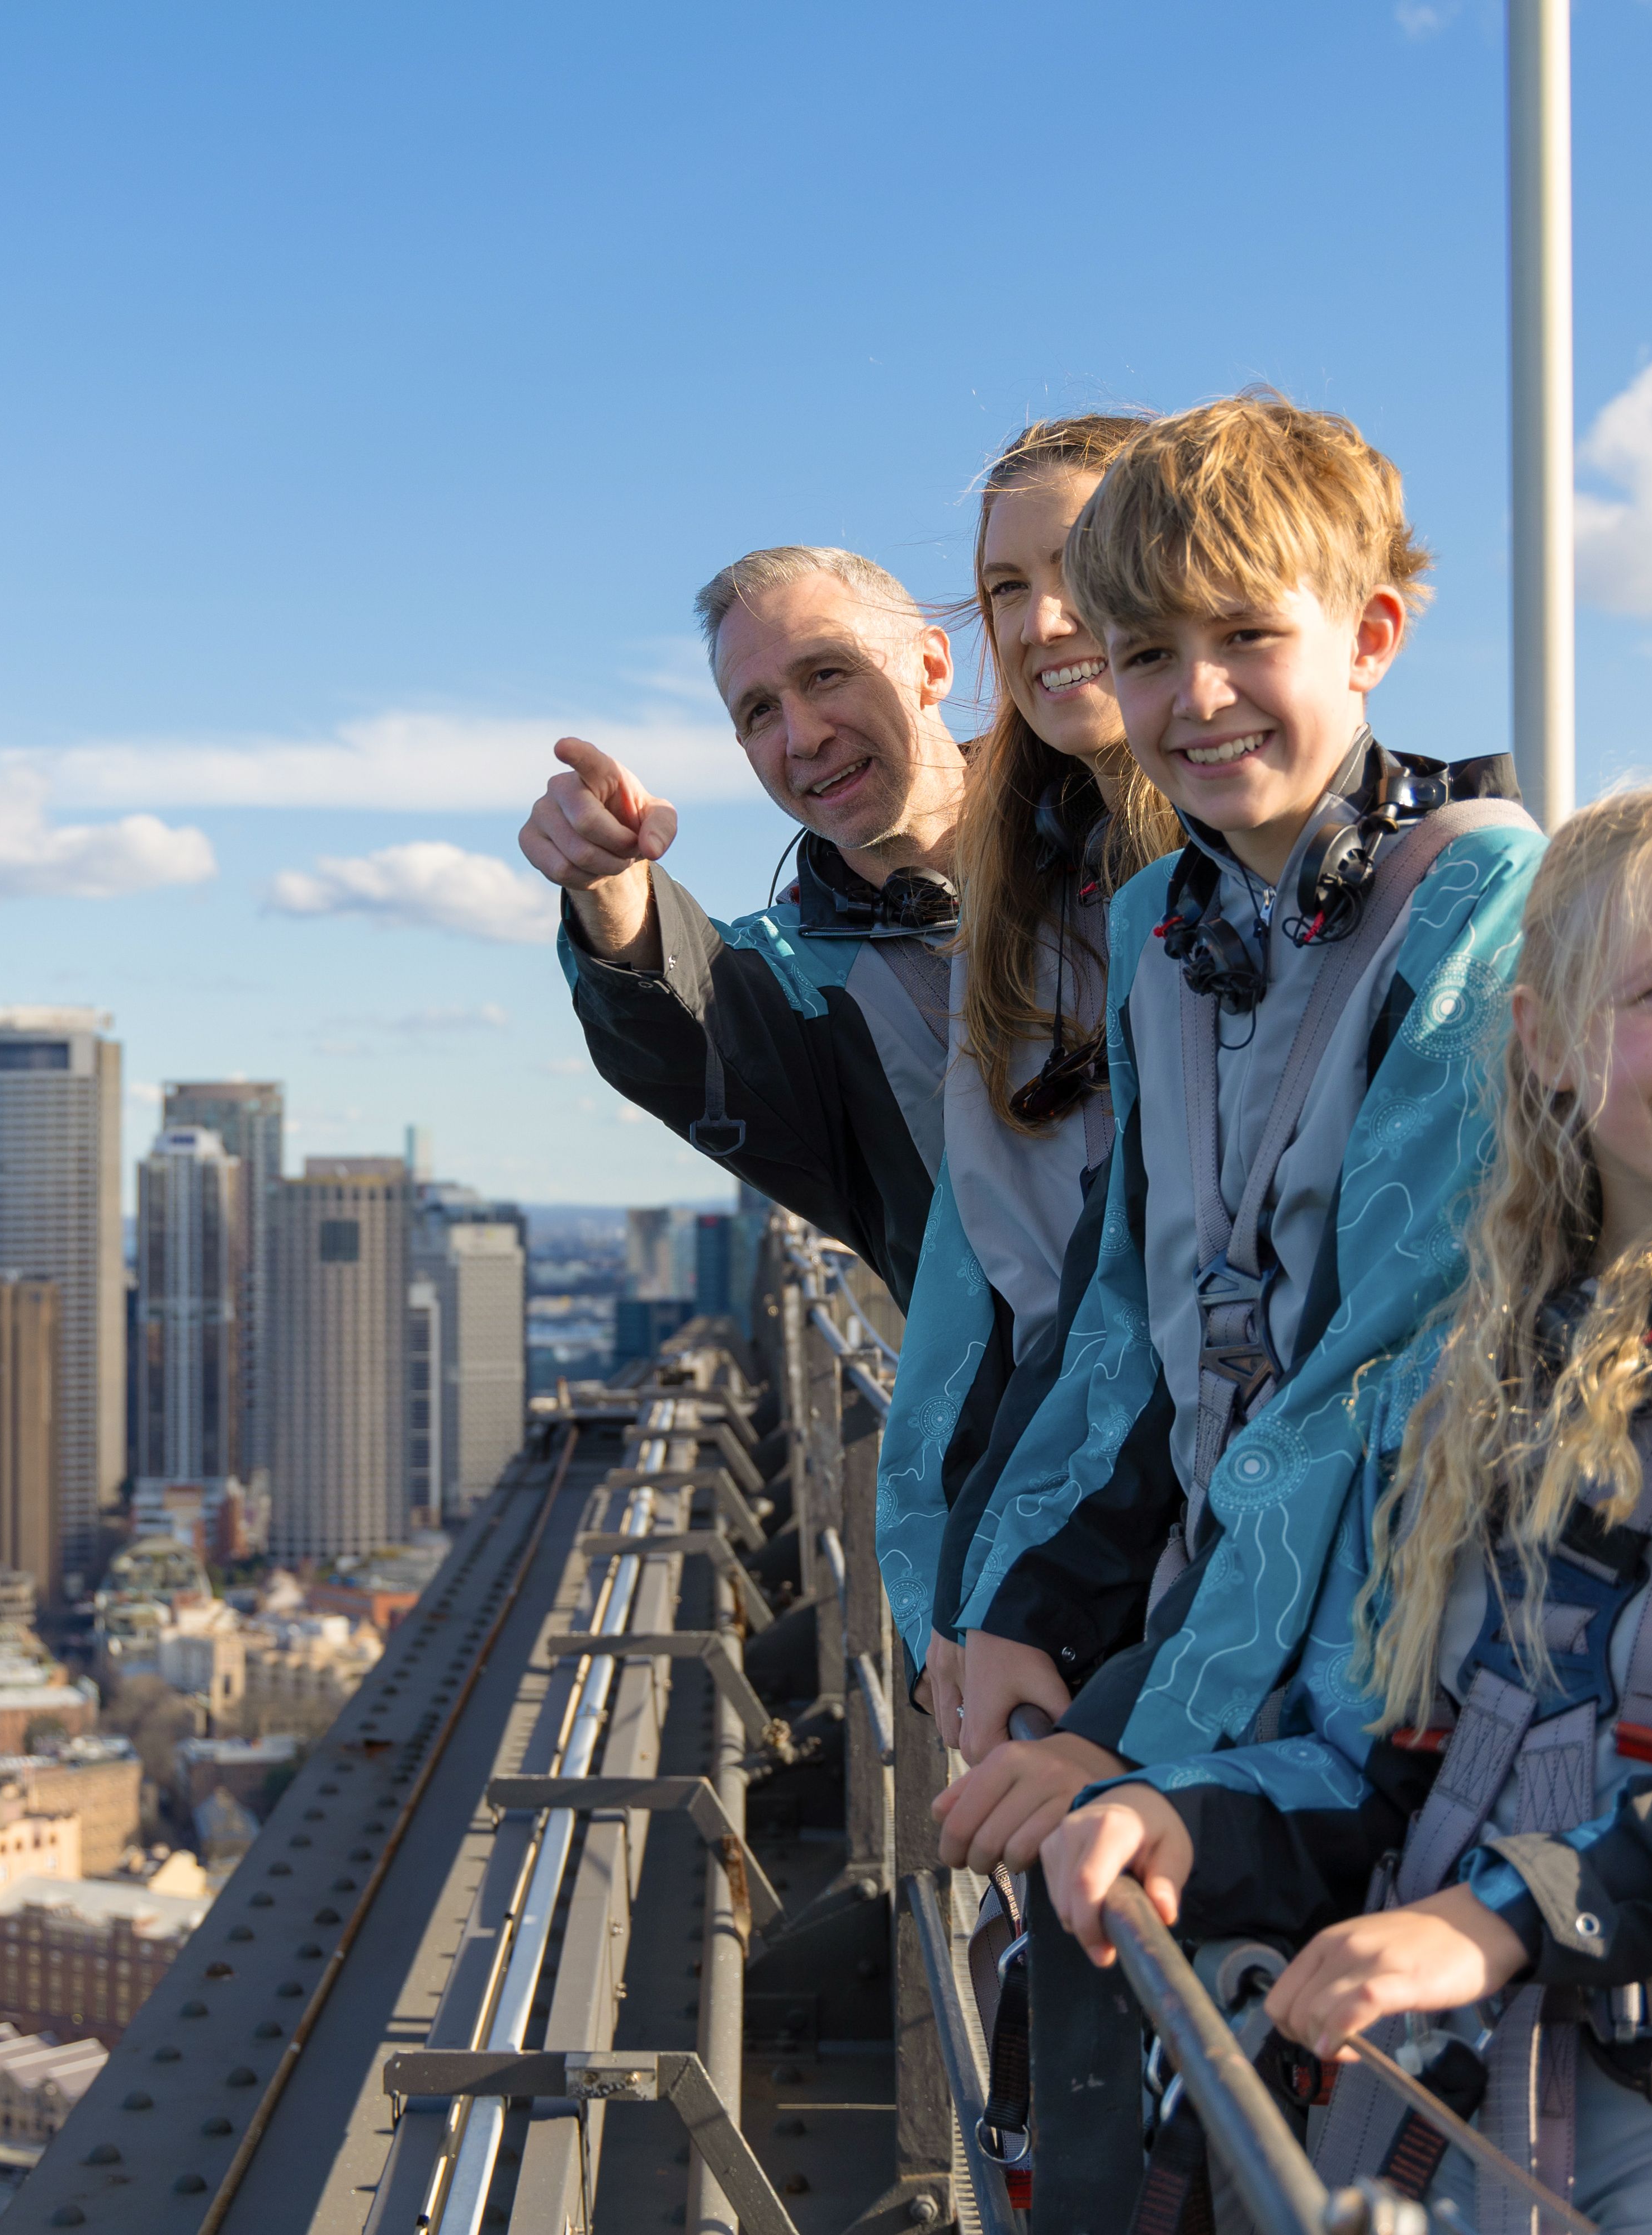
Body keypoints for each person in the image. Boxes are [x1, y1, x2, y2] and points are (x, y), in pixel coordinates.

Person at [1041, 780, 1652, 2234]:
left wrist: (1494, 1919)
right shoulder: (1478, 1369)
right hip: (1459, 2099)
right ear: (1548, 1044)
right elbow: (1392, 1755)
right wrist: (1183, 1819)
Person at [931, 394, 1537, 1862]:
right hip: (1230, 1643)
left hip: (1413, 1678)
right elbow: (1129, 1317)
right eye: (1147, 655)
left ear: (1369, 636)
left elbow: (1374, 1373)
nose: (1195, 698)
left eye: (1243, 638)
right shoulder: (1164, 926)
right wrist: (1027, 1610)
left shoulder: (1473, 901)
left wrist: (1131, 1724)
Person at [870, 413, 1179, 1729]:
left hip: (1175, 1567)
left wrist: (1002, 1588)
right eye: (1007, 586)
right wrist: (957, 1579)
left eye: (1082, 565)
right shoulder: (1033, 883)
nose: (1045, 619)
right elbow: (992, 1288)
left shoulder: (1252, 893)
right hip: (1056, 1559)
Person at [526, 546, 969, 1305]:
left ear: (930, 667)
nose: (800, 738)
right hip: (1020, 1419)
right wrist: (612, 885)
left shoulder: (1125, 837)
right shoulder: (790, 983)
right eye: (759, 712)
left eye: (826, 673)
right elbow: (679, 1023)